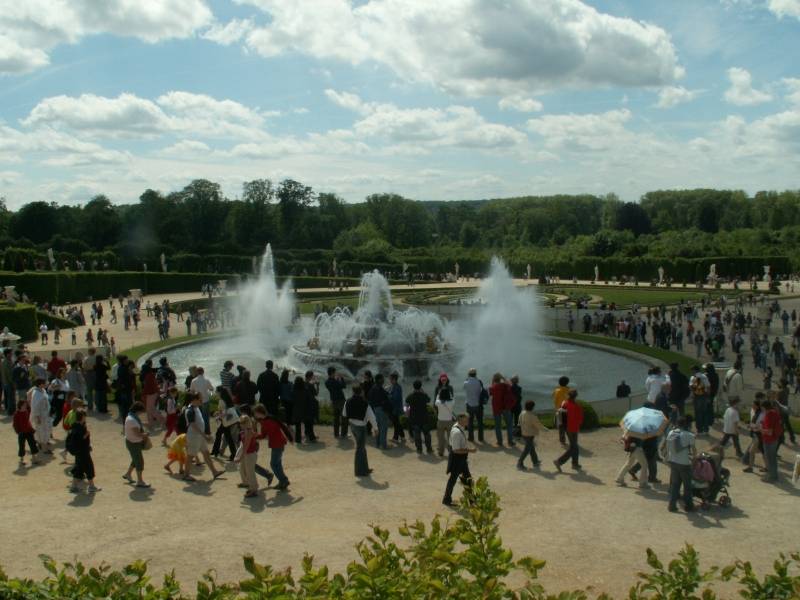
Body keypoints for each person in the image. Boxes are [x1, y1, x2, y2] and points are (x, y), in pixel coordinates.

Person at [184, 393, 223, 481]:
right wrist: (204, 435)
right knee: (190, 455)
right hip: (194, 436)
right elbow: (193, 425)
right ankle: (186, 475)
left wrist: (204, 435)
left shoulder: (196, 408)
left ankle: (214, 472)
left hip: (199, 436)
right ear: (194, 400)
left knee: (206, 453)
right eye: (200, 399)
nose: (202, 401)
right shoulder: (190, 410)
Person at [254, 404, 292, 490]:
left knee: (274, 464)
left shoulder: (271, 419)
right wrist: (254, 436)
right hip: (276, 444)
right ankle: (283, 481)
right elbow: (263, 435)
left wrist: (290, 438)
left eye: (255, 413)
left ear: (259, 412)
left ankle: (284, 480)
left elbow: (283, 427)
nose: (255, 415)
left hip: (278, 444)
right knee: (277, 463)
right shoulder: (263, 421)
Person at [442, 413, 475, 507]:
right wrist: (470, 450)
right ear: (461, 420)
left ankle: (471, 500)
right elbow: (456, 450)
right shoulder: (457, 432)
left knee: (467, 479)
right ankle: (447, 499)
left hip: (461, 458)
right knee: (454, 479)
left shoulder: (458, 427)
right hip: (458, 458)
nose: (468, 421)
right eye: (466, 420)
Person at [344, 384, 377, 477]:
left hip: (352, 426)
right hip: (361, 427)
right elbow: (372, 417)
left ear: (353, 392)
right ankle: (359, 471)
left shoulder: (348, 401)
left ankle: (365, 468)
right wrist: (375, 428)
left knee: (361, 447)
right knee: (360, 449)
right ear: (361, 392)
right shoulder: (365, 403)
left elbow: (344, 414)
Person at [666, 415, 696, 512]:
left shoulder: (671, 433)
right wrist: (694, 459)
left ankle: (672, 505)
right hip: (684, 463)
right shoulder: (689, 435)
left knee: (675, 485)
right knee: (687, 486)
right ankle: (689, 506)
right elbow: (694, 451)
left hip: (673, 461)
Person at [68, 409, 100, 493]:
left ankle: (73, 487)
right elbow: (79, 440)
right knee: (89, 467)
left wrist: (88, 445)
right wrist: (86, 435)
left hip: (80, 452)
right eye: (85, 416)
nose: (85, 417)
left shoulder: (76, 426)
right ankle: (91, 486)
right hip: (82, 452)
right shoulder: (78, 428)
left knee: (79, 469)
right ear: (82, 417)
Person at [553, 390, 583, 472]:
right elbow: (580, 419)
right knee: (574, 447)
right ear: (576, 396)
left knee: (575, 446)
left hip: (565, 427)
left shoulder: (564, 403)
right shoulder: (576, 406)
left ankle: (575, 463)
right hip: (573, 428)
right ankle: (559, 461)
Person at [123, 401, 151, 488]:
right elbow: (138, 434)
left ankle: (128, 474)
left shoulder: (131, 417)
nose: (141, 413)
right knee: (139, 462)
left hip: (132, 442)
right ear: (137, 410)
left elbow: (136, 426)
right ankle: (140, 481)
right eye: (141, 412)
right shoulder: (132, 420)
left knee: (135, 459)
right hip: (133, 443)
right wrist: (146, 434)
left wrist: (143, 424)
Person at [405, 379, 433, 454]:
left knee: (417, 434)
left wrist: (407, 414)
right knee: (427, 434)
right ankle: (429, 449)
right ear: (421, 386)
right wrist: (423, 392)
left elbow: (406, 403)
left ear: (413, 387)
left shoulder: (411, 396)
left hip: (414, 418)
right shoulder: (424, 395)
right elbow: (429, 400)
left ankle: (419, 449)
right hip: (424, 417)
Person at [211, 386, 239, 460]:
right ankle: (215, 451)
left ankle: (216, 452)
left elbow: (223, 412)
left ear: (220, 392)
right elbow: (226, 410)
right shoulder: (227, 399)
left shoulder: (221, 401)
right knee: (224, 436)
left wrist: (218, 416)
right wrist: (219, 415)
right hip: (230, 420)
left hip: (226, 421)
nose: (215, 392)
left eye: (216, 391)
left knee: (225, 437)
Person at [236, 414, 259, 498]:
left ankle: (254, 489)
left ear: (247, 422)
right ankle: (249, 485)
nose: (240, 424)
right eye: (240, 422)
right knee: (243, 469)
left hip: (250, 454)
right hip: (247, 454)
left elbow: (246, 446)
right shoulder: (244, 431)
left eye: (242, 422)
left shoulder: (249, 431)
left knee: (250, 472)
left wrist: (240, 457)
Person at [489, 373, 516, 447]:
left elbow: (490, 392)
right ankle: (510, 441)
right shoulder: (505, 386)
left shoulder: (493, 387)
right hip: (505, 407)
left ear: (494, 380)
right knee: (509, 425)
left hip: (496, 408)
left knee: (498, 426)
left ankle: (499, 442)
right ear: (500, 379)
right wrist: (503, 378)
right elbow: (511, 385)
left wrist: (492, 381)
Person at [761, 399, 783, 483]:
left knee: (770, 459)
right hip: (775, 439)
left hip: (768, 440)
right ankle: (774, 475)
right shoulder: (775, 412)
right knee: (773, 459)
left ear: (764, 407)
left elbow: (769, 432)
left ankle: (771, 477)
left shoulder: (768, 415)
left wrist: (760, 429)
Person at [517, 400, 544, 470]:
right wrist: (545, 429)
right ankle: (519, 463)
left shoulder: (522, 413)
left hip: (524, 433)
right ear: (532, 407)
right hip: (530, 434)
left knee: (531, 448)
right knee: (527, 450)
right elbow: (538, 425)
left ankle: (535, 461)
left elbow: (519, 421)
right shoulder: (532, 416)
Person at [13, 398, 39, 466]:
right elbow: (15, 424)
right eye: (24, 405)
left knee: (32, 444)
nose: (25, 406)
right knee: (21, 446)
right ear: (20, 405)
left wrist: (32, 429)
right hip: (21, 433)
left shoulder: (26, 411)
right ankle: (21, 460)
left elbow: (28, 422)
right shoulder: (16, 414)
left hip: (29, 431)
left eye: (26, 405)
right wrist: (18, 431)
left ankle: (34, 458)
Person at [368, 373, 390, 450]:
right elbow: (385, 398)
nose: (383, 380)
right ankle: (383, 445)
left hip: (375, 409)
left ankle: (378, 443)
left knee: (378, 427)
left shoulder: (373, 388)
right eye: (382, 378)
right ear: (379, 379)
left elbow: (370, 398)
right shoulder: (379, 388)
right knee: (383, 427)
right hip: (382, 409)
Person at [291, 375, 316, 443]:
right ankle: (312, 438)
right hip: (305, 409)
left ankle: (298, 439)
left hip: (296, 409)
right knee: (308, 425)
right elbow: (309, 399)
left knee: (298, 426)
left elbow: (292, 400)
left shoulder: (293, 390)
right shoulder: (305, 390)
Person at [30, 378, 52, 454]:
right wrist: (37, 417)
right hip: (40, 416)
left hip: (45, 414)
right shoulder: (36, 394)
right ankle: (44, 449)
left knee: (45, 430)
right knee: (41, 431)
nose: (46, 384)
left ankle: (41, 445)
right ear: (40, 384)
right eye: (44, 383)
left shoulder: (43, 390)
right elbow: (35, 406)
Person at [189, 366, 214, 433]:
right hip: (206, 400)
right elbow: (211, 389)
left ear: (197, 372)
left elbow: (191, 391)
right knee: (206, 417)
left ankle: (201, 430)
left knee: (199, 417)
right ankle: (207, 431)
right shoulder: (206, 380)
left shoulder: (193, 380)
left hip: (197, 401)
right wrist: (209, 393)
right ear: (203, 372)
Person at [325, 366, 348, 438]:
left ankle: (336, 434)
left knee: (336, 418)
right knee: (344, 417)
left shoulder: (327, 382)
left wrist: (337, 380)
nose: (335, 373)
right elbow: (344, 386)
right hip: (341, 400)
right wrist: (341, 379)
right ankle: (343, 434)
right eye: (334, 372)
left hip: (334, 400)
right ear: (332, 373)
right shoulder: (335, 381)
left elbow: (336, 386)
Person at [140, 360, 163, 431]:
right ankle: (152, 423)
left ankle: (161, 421)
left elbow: (146, 387)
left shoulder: (147, 376)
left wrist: (143, 394)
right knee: (150, 409)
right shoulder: (150, 375)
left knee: (150, 409)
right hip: (152, 393)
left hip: (150, 394)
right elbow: (154, 385)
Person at [463, 368, 484, 443]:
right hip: (478, 404)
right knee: (480, 422)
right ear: (475, 374)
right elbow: (481, 390)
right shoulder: (479, 382)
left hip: (469, 404)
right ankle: (480, 438)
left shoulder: (466, 383)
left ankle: (471, 437)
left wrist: (467, 379)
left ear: (469, 374)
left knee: (470, 422)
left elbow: (464, 388)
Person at [434, 383, 455, 457]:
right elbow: (452, 397)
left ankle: (441, 451)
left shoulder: (438, 402)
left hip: (440, 421)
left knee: (440, 438)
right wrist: (449, 393)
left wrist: (438, 394)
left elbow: (436, 400)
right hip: (449, 421)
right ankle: (451, 451)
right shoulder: (452, 402)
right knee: (450, 438)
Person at [689, 365, 711, 434]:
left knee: (698, 413)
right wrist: (708, 397)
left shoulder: (693, 377)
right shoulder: (704, 376)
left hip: (696, 396)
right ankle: (706, 429)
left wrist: (693, 394)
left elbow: (691, 387)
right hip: (704, 396)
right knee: (704, 412)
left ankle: (699, 429)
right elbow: (708, 387)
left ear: (694, 370)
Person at [552, 376, 571, 445]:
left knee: (561, 426)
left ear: (559, 382)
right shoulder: (570, 390)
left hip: (559, 410)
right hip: (568, 410)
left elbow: (554, 399)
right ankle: (571, 439)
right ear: (567, 383)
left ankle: (562, 440)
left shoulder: (557, 391)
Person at [388, 372, 405, 443]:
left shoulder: (397, 387)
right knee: (397, 422)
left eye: (391, 379)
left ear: (394, 379)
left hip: (396, 408)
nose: (390, 380)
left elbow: (395, 398)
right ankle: (403, 436)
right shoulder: (395, 386)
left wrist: (388, 395)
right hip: (396, 408)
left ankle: (395, 438)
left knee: (396, 423)